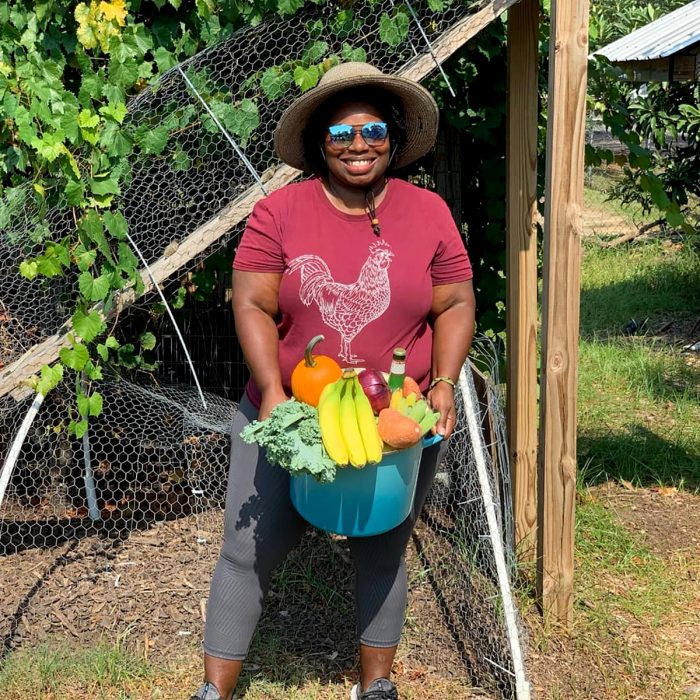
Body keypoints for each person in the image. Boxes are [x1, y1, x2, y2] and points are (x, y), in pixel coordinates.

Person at [190, 62, 476, 700]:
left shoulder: (426, 212)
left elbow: (455, 303)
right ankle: (215, 691)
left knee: (381, 546)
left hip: (392, 418)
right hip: (290, 408)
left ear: (393, 137)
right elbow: (252, 303)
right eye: (341, 133)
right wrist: (272, 389)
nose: (358, 144)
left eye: (372, 129)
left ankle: (375, 688)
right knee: (248, 547)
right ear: (320, 140)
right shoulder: (279, 211)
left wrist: (445, 383)